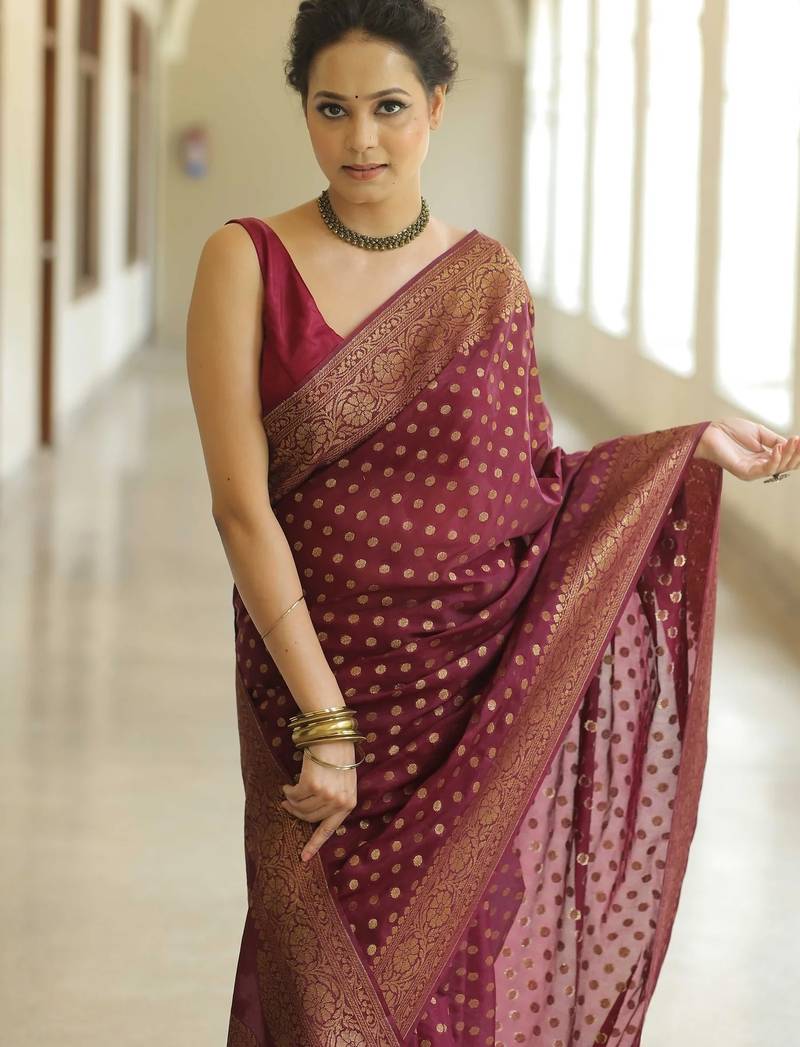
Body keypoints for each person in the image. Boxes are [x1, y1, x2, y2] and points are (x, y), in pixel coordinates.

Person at [185, 2, 799, 1044]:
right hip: (310, 687)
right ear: (305, 111)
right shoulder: (245, 261)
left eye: (388, 107)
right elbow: (241, 509)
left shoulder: (484, 282)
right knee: (313, 988)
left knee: (459, 983)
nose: (360, 138)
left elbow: (535, 493)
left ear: (435, 108)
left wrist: (687, 447)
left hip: (469, 708)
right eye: (331, 109)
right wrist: (327, 723)